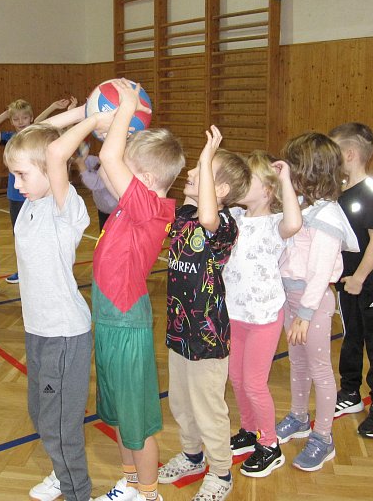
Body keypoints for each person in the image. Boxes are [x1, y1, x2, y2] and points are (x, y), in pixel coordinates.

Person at [91, 80, 185, 501]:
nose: (119, 176)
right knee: (119, 416)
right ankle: (130, 484)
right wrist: (106, 124)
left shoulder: (149, 208)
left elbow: (109, 159)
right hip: (110, 321)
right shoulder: (137, 203)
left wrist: (126, 109)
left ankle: (149, 493)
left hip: (126, 324)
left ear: (144, 178)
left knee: (137, 421)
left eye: (129, 171)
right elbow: (106, 166)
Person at [157, 126, 249, 501]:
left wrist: (208, 156)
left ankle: (221, 472)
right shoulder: (184, 215)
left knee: (208, 406)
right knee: (181, 401)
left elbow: (209, 217)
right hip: (179, 328)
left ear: (220, 190)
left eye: (201, 170)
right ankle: (193, 456)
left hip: (208, 335)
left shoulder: (224, 225)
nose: (192, 172)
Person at [2, 122, 94, 501]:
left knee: (59, 426)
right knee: (41, 412)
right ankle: (61, 472)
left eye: (22, 174)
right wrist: (67, 114)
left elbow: (55, 150)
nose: (16, 183)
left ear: (49, 169)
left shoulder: (64, 208)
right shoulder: (32, 203)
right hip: (37, 329)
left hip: (64, 333)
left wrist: (92, 116)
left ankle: (77, 493)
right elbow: (39, 135)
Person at [274, 133, 358, 472]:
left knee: (320, 370)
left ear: (309, 171)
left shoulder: (328, 217)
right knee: (297, 362)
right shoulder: (303, 206)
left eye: (293, 165)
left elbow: (321, 272)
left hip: (313, 303)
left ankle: (323, 437)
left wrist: (305, 314)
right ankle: (299, 416)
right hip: (291, 298)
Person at [226, 150, 301, 477]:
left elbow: (294, 222)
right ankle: (248, 429)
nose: (241, 183)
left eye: (249, 178)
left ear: (268, 190)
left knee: (254, 383)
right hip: (234, 313)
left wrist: (285, 179)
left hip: (263, 317)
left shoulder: (274, 224)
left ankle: (270, 444)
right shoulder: (234, 216)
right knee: (236, 378)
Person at [329, 123, 373, 436]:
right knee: (351, 338)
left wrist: (359, 277)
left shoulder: (370, 193)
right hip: (347, 282)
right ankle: (351, 393)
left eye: (335, 152)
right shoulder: (341, 192)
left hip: (371, 284)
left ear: (350, 154)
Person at [0, 96, 76, 283]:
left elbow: (38, 124)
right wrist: (6, 114)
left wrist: (52, 106)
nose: (20, 122)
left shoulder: (34, 135)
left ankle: (45, 268)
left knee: (41, 232)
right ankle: (24, 270)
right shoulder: (10, 138)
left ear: (31, 118)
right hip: (16, 197)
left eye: (24, 118)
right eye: (15, 119)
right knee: (20, 234)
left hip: (38, 195)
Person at [74, 143, 118, 230]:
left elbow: (94, 183)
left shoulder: (112, 171)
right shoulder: (100, 162)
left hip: (114, 211)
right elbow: (90, 161)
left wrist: (81, 164)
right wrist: (83, 154)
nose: (99, 154)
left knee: (112, 234)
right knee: (103, 232)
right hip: (103, 209)